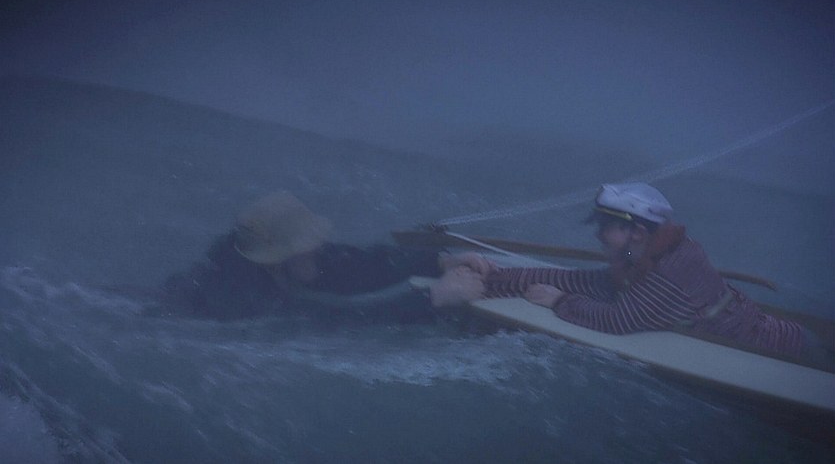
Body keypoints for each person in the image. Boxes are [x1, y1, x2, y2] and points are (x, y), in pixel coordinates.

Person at [433, 182, 823, 360]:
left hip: (787, 351)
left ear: (636, 232)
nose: (598, 234)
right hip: (776, 333)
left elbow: (616, 321)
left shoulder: (666, 274)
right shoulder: (652, 252)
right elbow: (587, 281)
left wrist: (558, 301)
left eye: (606, 227)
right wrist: (495, 274)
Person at [157, 191, 446, 322]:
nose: (317, 248)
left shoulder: (296, 262)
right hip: (170, 316)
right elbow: (343, 319)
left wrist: (437, 260)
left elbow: (358, 262)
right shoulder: (248, 298)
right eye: (305, 246)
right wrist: (434, 298)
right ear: (275, 260)